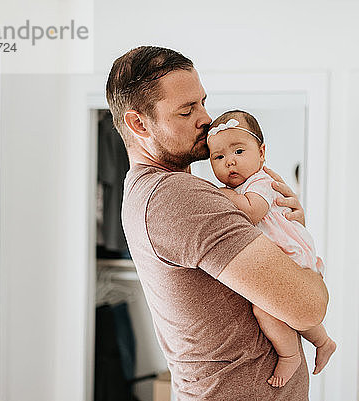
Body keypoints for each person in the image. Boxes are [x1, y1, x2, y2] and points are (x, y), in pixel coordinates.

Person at [105, 46, 328, 400]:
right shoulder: (177, 197)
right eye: (186, 110)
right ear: (138, 123)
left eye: (202, 102)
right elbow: (308, 306)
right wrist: (302, 254)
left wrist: (285, 227)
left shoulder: (155, 191)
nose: (206, 118)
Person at [206, 110, 336, 388]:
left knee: (266, 309)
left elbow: (253, 212)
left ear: (262, 153)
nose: (230, 161)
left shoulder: (261, 182)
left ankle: (289, 355)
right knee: (290, 307)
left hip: (289, 253)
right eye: (218, 157)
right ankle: (323, 341)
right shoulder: (243, 187)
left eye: (239, 151)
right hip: (284, 253)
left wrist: (226, 195)